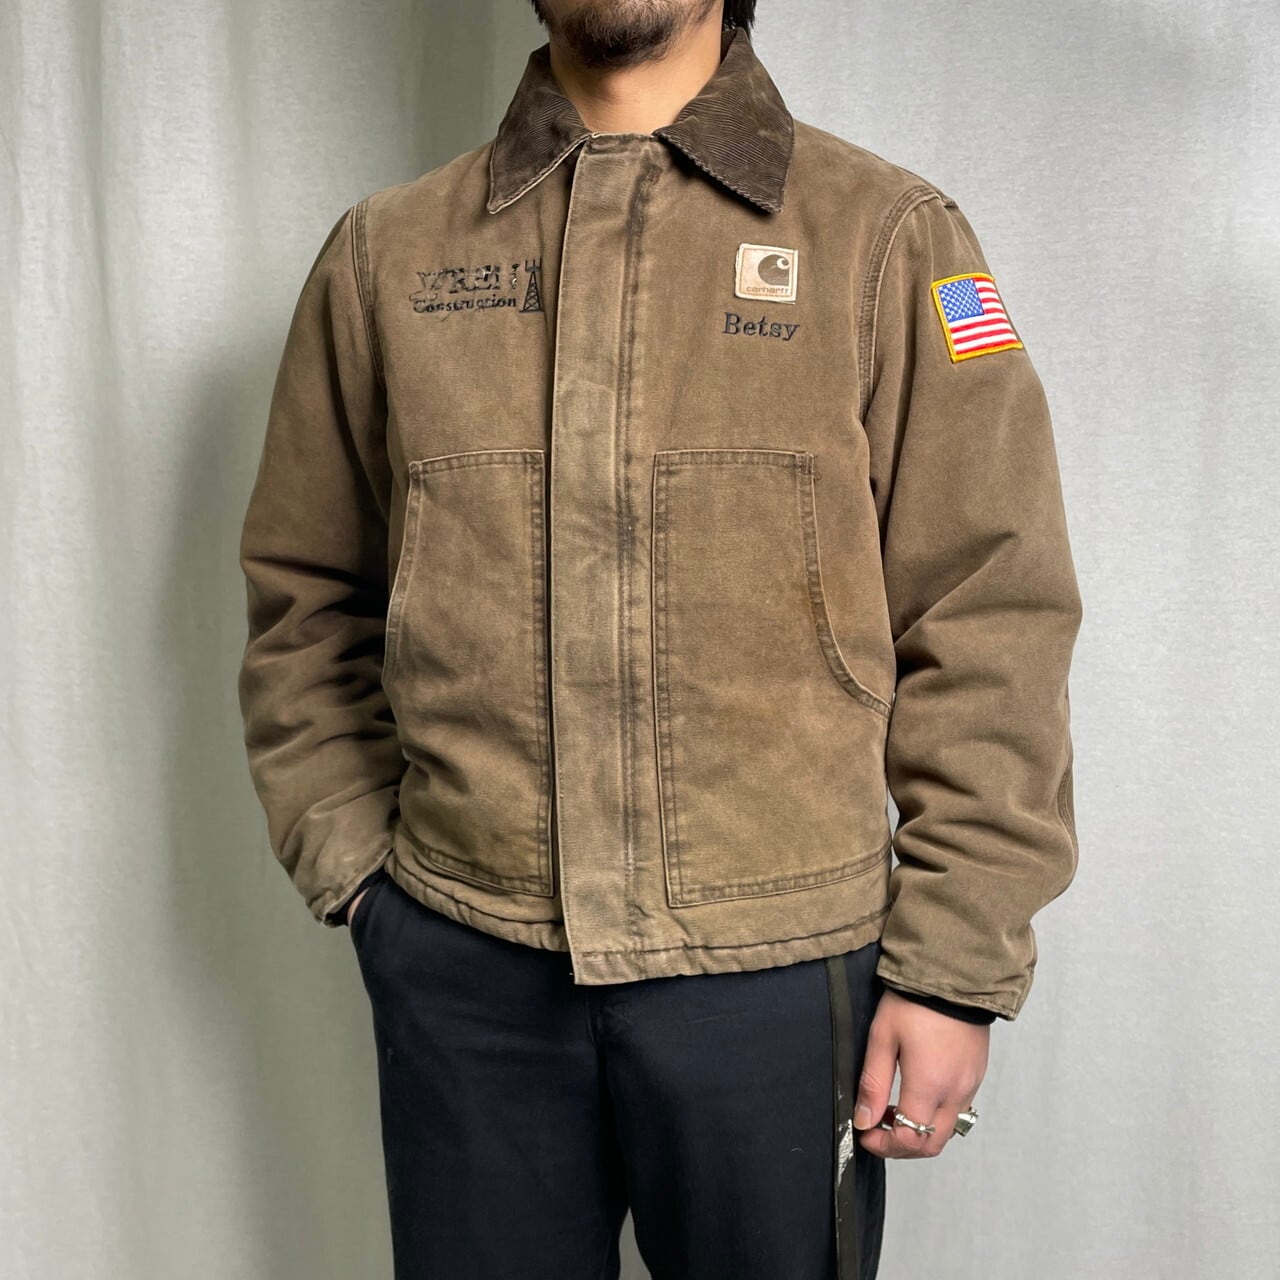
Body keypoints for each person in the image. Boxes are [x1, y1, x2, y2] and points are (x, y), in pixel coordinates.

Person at [235, 1, 1083, 1276]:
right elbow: (305, 594)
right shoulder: (384, 256)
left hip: (781, 976)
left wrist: (953, 962)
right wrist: (365, 881)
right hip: (466, 971)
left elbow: (991, 607)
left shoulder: (889, 237)